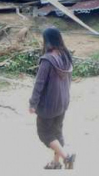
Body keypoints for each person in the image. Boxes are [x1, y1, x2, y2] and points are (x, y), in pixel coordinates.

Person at [29, 27, 76, 169]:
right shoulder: (66, 56)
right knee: (57, 132)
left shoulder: (47, 60)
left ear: (47, 41)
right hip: (63, 102)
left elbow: (39, 84)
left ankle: (66, 157)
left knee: (44, 134)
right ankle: (56, 163)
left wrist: (33, 103)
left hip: (49, 105)